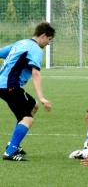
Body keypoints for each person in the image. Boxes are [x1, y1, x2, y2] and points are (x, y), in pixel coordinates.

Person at [0, 21, 56, 161]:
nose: (48, 44)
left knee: (33, 105)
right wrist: (42, 97)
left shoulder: (21, 43)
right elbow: (35, 73)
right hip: (10, 86)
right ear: (43, 35)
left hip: (5, 85)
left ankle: (15, 144)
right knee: (28, 119)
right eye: (49, 40)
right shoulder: (35, 49)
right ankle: (10, 152)